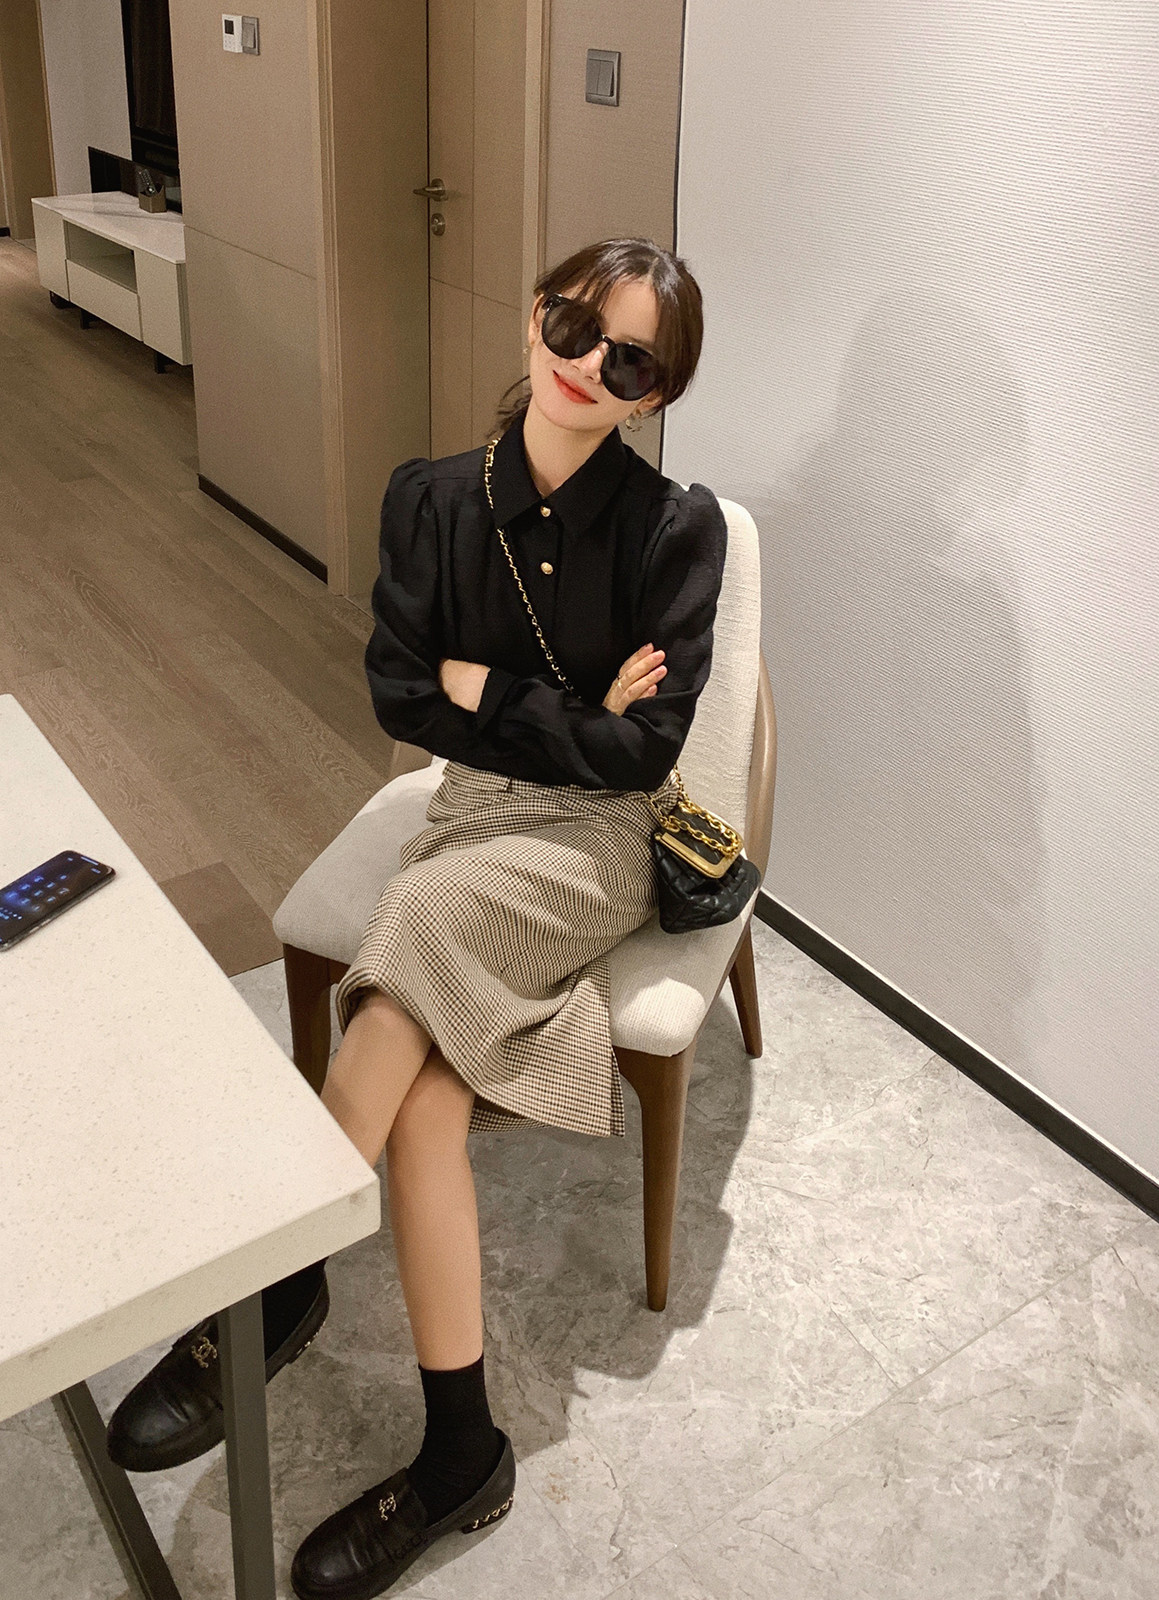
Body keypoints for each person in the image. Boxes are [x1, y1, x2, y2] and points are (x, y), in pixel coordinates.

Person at [104, 236, 727, 1600]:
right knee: (430, 1107)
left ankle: (274, 1286)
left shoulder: (676, 530)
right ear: (535, 313)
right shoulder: (433, 498)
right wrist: (567, 711)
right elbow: (397, 693)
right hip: (473, 814)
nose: (585, 364)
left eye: (628, 360)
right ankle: (463, 1453)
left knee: (408, 955)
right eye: (574, 324)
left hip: (598, 843)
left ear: (655, 393)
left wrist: (486, 689)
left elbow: (642, 757)